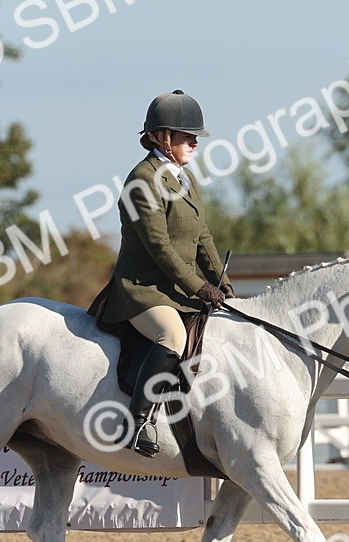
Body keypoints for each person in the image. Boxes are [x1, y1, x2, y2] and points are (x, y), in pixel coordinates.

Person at [88, 90, 233, 457]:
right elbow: (160, 247)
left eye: (196, 137)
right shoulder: (142, 181)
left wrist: (222, 282)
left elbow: (202, 237)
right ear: (162, 137)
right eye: (188, 136)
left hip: (176, 289)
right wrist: (199, 286)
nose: (195, 142)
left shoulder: (185, 179)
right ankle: (136, 423)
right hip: (142, 289)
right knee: (172, 335)